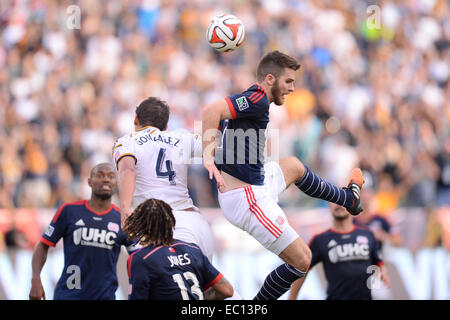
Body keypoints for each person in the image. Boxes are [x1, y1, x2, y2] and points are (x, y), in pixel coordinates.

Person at [201, 50, 365, 300]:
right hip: (246, 198)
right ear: (270, 79)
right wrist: (207, 156)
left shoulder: (254, 98)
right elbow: (211, 111)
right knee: (302, 260)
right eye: (288, 81)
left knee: (294, 167)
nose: (292, 88)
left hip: (252, 184)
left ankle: (348, 199)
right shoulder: (256, 99)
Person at [113, 97, 214, 261]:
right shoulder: (183, 138)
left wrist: (124, 208)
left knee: (155, 283)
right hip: (194, 224)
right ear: (166, 126)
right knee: (206, 285)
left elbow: (128, 169)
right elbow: (222, 149)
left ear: (136, 119)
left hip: (156, 227)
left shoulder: (126, 142)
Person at [29, 163, 138, 300]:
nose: (106, 179)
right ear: (89, 182)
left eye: (111, 176)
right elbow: (43, 244)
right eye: (100, 175)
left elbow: (137, 256)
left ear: (116, 183)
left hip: (105, 297)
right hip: (68, 295)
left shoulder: (123, 219)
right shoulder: (69, 211)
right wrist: (35, 279)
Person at [125, 198, 233, 300]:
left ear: (140, 226)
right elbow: (227, 290)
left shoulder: (141, 258)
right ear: (171, 222)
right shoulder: (193, 249)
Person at [288, 202, 390, 300]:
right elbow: (303, 268)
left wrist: (383, 272)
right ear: (329, 206)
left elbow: (378, 261)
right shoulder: (320, 240)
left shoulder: (368, 235)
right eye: (334, 200)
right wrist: (292, 298)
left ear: (353, 204)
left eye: (343, 199)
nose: (339, 204)